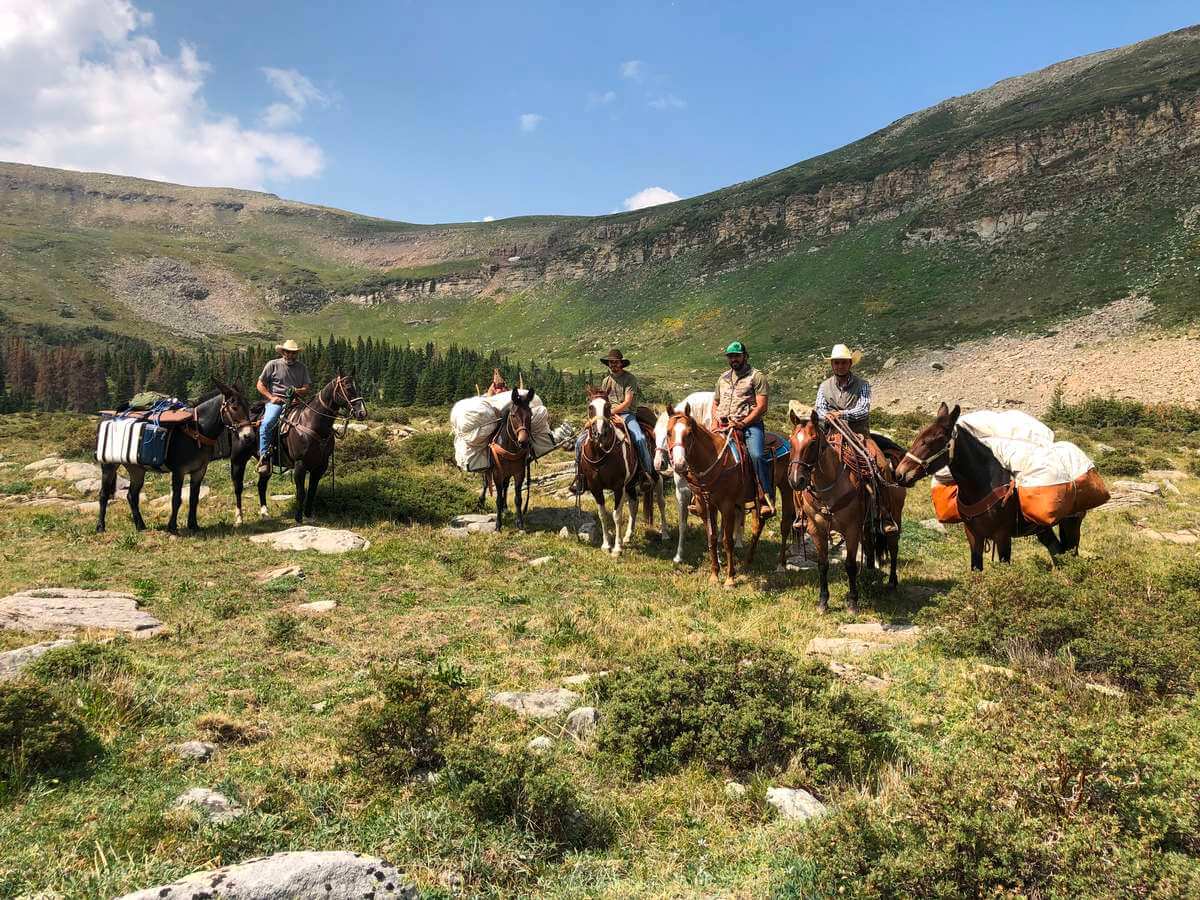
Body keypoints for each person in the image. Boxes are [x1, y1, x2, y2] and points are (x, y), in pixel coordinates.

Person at [813, 343, 898, 534]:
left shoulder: (863, 385)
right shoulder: (824, 386)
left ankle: (884, 513)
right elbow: (819, 409)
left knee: (882, 466)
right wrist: (827, 416)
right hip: (832, 435)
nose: (840, 366)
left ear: (850, 364)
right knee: (807, 460)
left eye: (843, 362)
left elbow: (863, 409)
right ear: (832, 364)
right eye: (836, 363)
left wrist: (841, 414)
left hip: (859, 435)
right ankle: (804, 512)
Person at [569, 348, 654, 494]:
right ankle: (580, 477)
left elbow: (627, 402)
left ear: (621, 363)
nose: (613, 365)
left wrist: (611, 412)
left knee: (639, 438)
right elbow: (601, 401)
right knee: (579, 442)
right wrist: (600, 415)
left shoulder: (630, 379)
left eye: (615, 362)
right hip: (605, 415)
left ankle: (646, 473)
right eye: (610, 362)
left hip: (627, 414)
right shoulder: (606, 381)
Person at [711, 341, 773, 518]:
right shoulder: (722, 378)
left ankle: (764, 497)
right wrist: (715, 421)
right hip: (723, 425)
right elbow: (715, 402)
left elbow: (761, 406)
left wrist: (743, 423)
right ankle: (700, 495)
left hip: (749, 425)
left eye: (737, 356)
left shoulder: (756, 377)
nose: (734, 359)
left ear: (745, 356)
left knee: (756, 455)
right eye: (731, 356)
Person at [256, 339, 312, 474]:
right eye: (288, 352)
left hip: (296, 402)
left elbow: (306, 387)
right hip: (277, 402)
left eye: (293, 353)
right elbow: (260, 384)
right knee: (267, 423)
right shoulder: (273, 365)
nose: (291, 355)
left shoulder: (302, 367)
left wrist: (297, 391)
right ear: (283, 352)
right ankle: (264, 458)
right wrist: (271, 397)